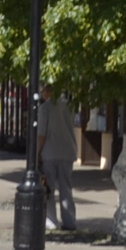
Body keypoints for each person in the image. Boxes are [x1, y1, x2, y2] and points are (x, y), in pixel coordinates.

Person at [39, 84, 78, 231]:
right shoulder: (70, 106)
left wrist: (37, 154)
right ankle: (69, 222)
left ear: (48, 91)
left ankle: (51, 220)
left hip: (49, 152)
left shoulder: (45, 108)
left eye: (42, 91)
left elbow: (41, 135)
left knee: (48, 189)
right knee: (66, 188)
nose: (42, 95)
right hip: (67, 152)